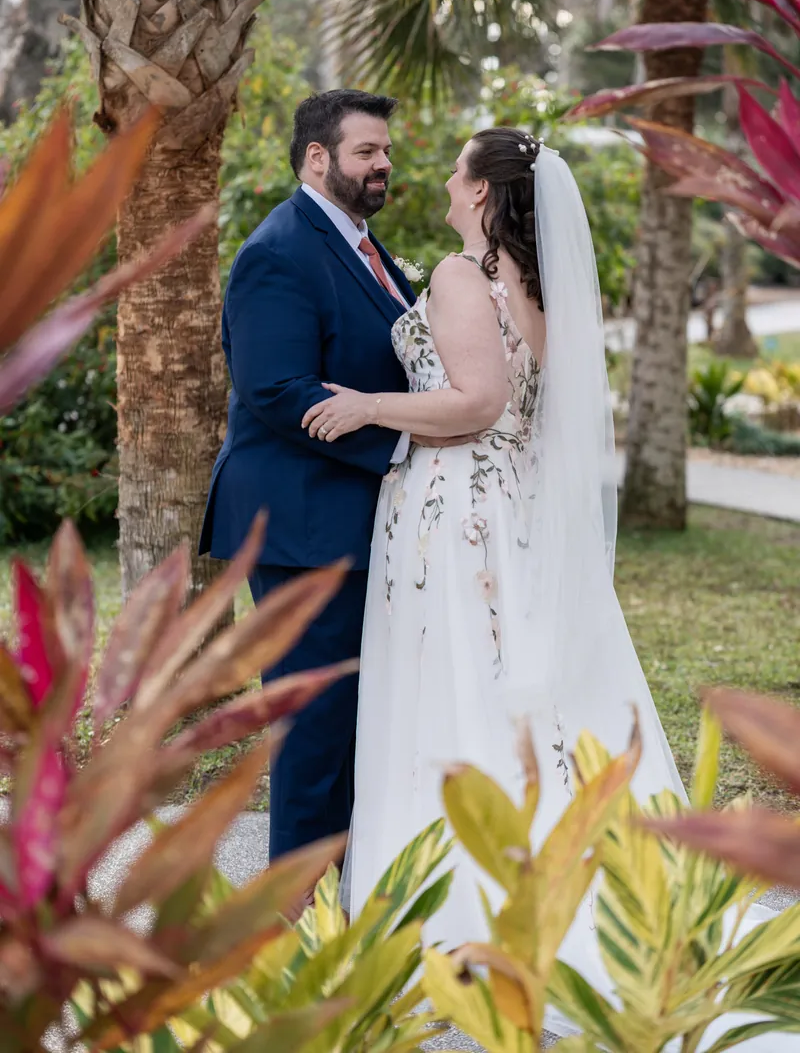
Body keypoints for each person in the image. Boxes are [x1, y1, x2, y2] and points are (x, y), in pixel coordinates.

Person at [301, 128, 791, 1047]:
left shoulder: (457, 274)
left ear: (484, 195)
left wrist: (368, 406)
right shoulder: (539, 286)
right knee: (521, 691)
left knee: (445, 688)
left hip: (454, 513)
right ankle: (577, 889)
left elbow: (478, 402)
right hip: (514, 507)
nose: (445, 183)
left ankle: (459, 906)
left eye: (457, 172)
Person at [199, 90, 417, 877]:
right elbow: (278, 389)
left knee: (352, 719)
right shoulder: (280, 250)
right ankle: (297, 917)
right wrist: (407, 448)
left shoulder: (365, 247)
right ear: (318, 158)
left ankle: (346, 894)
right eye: (367, 151)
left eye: (386, 150)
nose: (384, 163)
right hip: (301, 525)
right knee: (313, 724)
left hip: (349, 521)